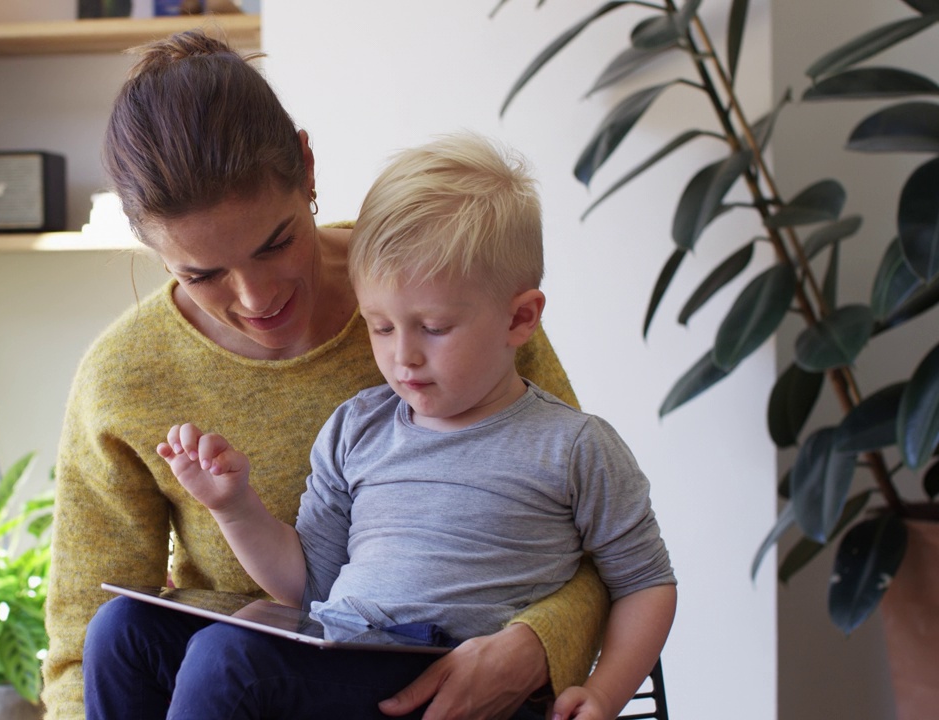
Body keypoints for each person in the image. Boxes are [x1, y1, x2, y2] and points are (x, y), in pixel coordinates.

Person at [42, 30, 611, 720]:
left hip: (426, 674)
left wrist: (533, 646)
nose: (256, 299)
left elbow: (591, 538)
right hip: (236, 685)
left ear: (308, 169)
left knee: (230, 660)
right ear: (150, 246)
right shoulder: (123, 378)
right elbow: (80, 650)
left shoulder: (445, 294)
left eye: (274, 242)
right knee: (121, 632)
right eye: (203, 274)